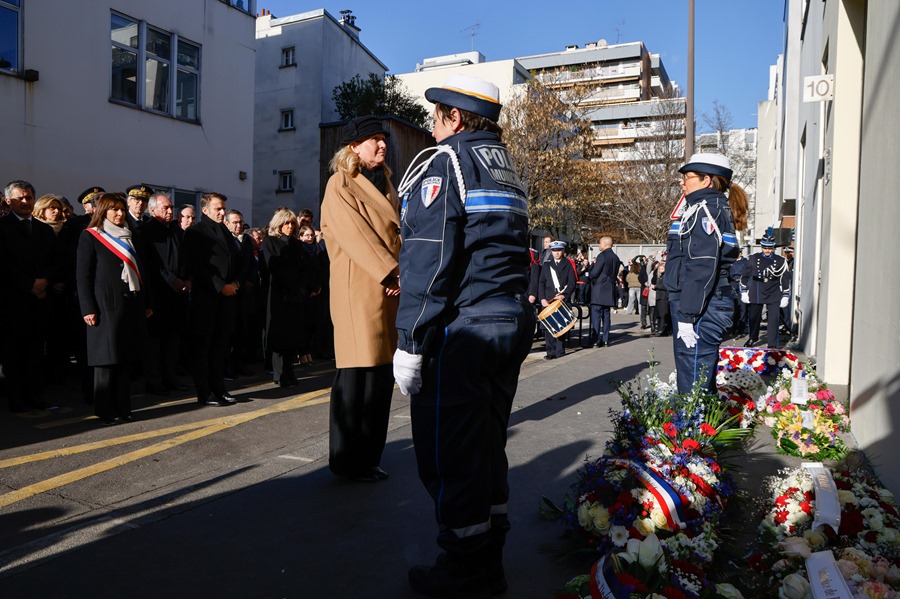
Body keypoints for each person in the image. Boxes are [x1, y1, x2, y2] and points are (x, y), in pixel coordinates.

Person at [392, 74, 535, 597]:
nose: (432, 126)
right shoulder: (504, 167)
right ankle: (488, 559)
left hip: (466, 327)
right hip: (508, 319)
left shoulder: (444, 162)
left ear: (453, 118)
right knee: (486, 449)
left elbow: (429, 257)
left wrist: (409, 341)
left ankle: (464, 570)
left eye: (436, 116)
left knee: (449, 457)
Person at [320, 115, 400, 484]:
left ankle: (368, 457)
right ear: (353, 146)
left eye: (383, 140)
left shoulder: (384, 182)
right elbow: (356, 237)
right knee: (356, 377)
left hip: (385, 287)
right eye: (373, 140)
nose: (381, 145)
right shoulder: (340, 184)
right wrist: (391, 270)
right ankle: (347, 460)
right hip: (360, 288)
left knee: (380, 378)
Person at [664, 153, 747, 395]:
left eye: (687, 177)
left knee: (693, 387)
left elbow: (702, 266)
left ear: (707, 180)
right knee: (698, 379)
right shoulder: (706, 208)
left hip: (701, 307)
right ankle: (698, 429)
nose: (682, 182)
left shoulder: (704, 210)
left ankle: (695, 432)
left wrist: (688, 316)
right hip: (703, 303)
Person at [76, 193, 152, 425]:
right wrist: (87, 308)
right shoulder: (91, 236)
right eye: (113, 210)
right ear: (103, 212)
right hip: (104, 306)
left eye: (121, 209)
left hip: (129, 305)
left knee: (124, 358)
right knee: (105, 360)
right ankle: (105, 409)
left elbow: (141, 272)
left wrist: (146, 303)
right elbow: (83, 275)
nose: (119, 214)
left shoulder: (129, 236)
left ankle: (123, 407)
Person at [180, 192, 243, 406]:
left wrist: (235, 283)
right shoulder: (195, 232)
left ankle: (219, 388)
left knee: (220, 347)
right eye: (218, 208)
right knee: (203, 347)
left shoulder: (225, 231)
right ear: (205, 210)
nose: (222, 212)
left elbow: (235, 260)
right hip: (207, 298)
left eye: (223, 208)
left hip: (226, 299)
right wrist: (220, 286)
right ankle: (204, 392)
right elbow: (197, 266)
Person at [0, 180, 57, 412]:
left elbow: (55, 260)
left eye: (29, 197)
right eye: (20, 198)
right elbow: (3, 264)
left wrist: (45, 281)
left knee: (36, 352)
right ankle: (17, 399)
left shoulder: (44, 229)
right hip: (13, 301)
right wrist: (28, 284)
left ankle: (36, 396)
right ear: (8, 201)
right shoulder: (2, 227)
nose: (25, 202)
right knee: (13, 353)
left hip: (40, 300)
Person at [142, 192, 190, 394]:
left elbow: (185, 258)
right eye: (165, 208)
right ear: (152, 210)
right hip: (158, 293)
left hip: (178, 294)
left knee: (173, 339)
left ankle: (171, 376)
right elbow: (151, 263)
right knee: (155, 341)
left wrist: (187, 279)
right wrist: (172, 280)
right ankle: (154, 381)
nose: (170, 211)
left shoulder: (176, 231)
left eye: (171, 207)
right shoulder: (145, 232)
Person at [262, 208, 312, 387]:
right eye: (286, 223)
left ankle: (290, 372)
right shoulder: (270, 242)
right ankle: (279, 374)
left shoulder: (297, 244)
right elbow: (273, 266)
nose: (290, 227)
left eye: (292, 223)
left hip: (295, 295)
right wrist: (291, 284)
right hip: (279, 295)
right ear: (279, 224)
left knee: (292, 336)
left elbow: (303, 268)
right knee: (279, 336)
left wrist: (301, 287)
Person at [741, 230, 791, 348]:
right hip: (757, 288)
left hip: (773, 289)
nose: (767, 251)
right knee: (754, 316)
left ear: (773, 247)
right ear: (761, 247)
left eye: (770, 248)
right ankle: (753, 337)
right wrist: (743, 291)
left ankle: (772, 343)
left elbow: (784, 278)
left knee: (773, 319)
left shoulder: (781, 261)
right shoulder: (753, 258)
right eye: (765, 248)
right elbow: (745, 275)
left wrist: (785, 295)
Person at [538, 240, 575, 360]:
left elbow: (571, 283)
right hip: (549, 299)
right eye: (554, 251)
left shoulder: (568, 264)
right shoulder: (547, 265)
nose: (557, 253)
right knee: (549, 327)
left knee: (561, 326)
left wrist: (564, 295)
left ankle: (560, 350)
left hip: (561, 299)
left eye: (559, 251)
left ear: (563, 251)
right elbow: (541, 283)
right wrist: (542, 298)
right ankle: (550, 352)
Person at [588, 236, 620, 347]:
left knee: (596, 315)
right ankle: (606, 339)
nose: (598, 245)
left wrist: (591, 267)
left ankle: (596, 340)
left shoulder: (602, 256)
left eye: (600, 242)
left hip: (599, 289)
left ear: (606, 244)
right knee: (606, 316)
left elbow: (594, 273)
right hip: (609, 289)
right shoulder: (616, 257)